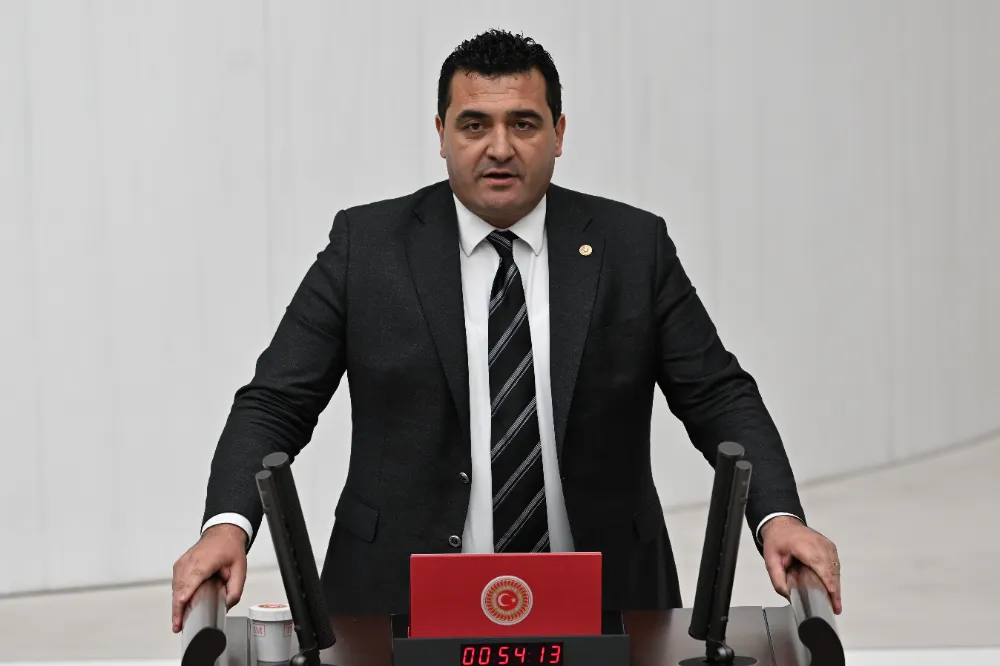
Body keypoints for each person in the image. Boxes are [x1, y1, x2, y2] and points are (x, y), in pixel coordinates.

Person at [171, 29, 842, 633]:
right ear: (441, 133)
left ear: (559, 132)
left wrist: (777, 515)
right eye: (474, 125)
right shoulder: (366, 247)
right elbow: (275, 402)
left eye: (523, 123)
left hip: (607, 604)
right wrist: (227, 525)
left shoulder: (632, 246)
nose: (499, 148)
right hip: (393, 604)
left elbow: (718, 395)